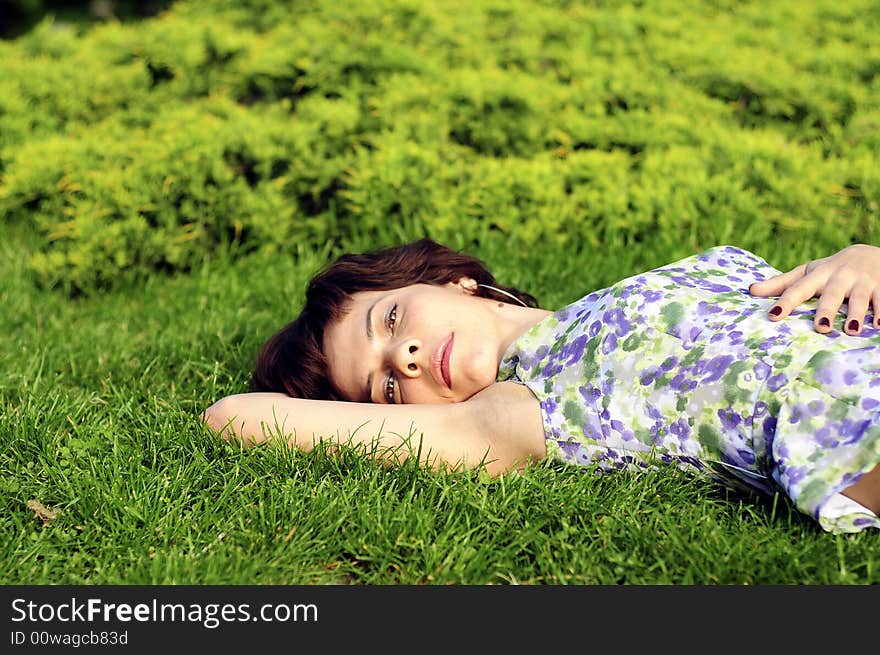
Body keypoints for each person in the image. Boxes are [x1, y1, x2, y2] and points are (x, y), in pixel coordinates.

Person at [201, 240, 880, 534]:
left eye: (392, 319)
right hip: (855, 424)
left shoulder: (658, 281)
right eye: (382, 386)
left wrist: (861, 256)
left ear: (450, 279)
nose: (403, 357)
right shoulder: (520, 411)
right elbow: (232, 416)